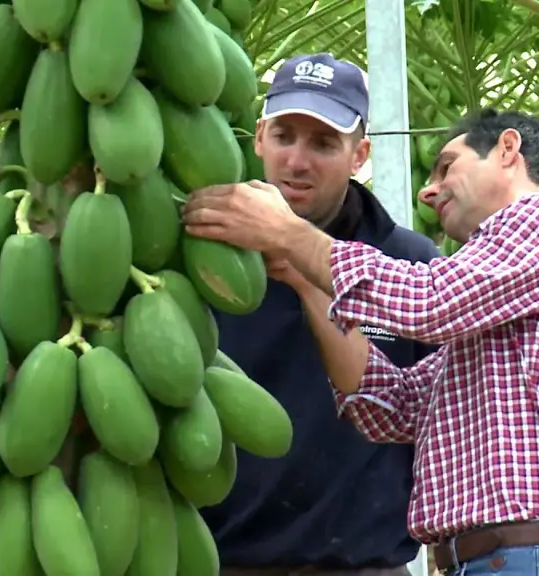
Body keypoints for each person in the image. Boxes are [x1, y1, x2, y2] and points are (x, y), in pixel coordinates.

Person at [182, 108, 539, 576]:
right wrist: (306, 282)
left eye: (447, 165)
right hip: (499, 559)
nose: (427, 191)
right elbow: (392, 405)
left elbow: (426, 301)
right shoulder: (502, 317)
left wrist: (290, 234)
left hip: (526, 558)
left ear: (507, 149)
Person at [199, 53, 440, 576]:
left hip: (363, 565)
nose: (298, 161)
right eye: (285, 136)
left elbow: (446, 420)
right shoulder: (200, 259)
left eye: (324, 143)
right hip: (223, 562)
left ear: (361, 155)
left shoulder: (409, 266)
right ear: (259, 137)